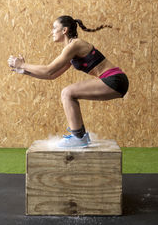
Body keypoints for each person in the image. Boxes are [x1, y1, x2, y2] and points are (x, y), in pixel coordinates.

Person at [8, 15, 129, 148]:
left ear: (64, 30)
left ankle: (79, 137)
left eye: (54, 28)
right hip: (115, 80)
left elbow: (48, 70)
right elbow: (51, 75)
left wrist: (22, 65)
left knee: (67, 92)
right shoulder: (71, 51)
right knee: (68, 93)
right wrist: (25, 71)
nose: (51, 32)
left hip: (115, 79)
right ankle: (80, 136)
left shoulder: (75, 45)